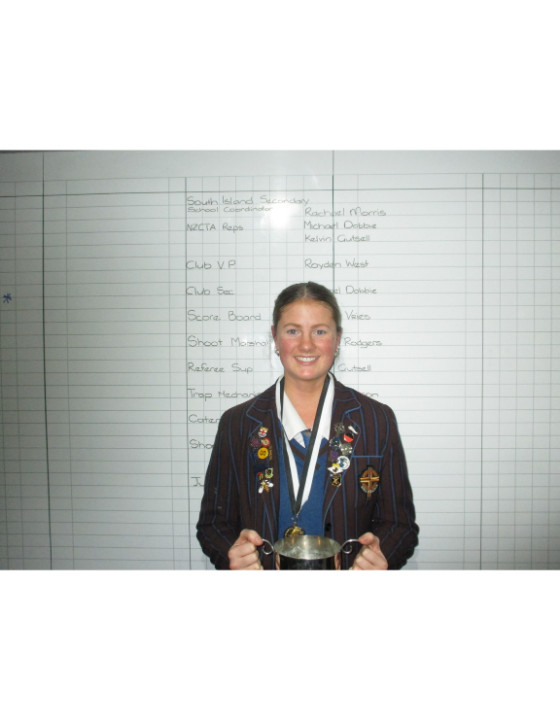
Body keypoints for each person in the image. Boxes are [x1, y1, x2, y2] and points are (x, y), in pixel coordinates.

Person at [196, 282, 419, 569]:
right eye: (292, 331)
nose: (306, 345)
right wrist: (232, 555)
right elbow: (213, 525)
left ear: (337, 339)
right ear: (275, 338)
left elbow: (401, 526)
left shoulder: (375, 420)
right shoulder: (238, 424)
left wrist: (381, 556)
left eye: (320, 331)